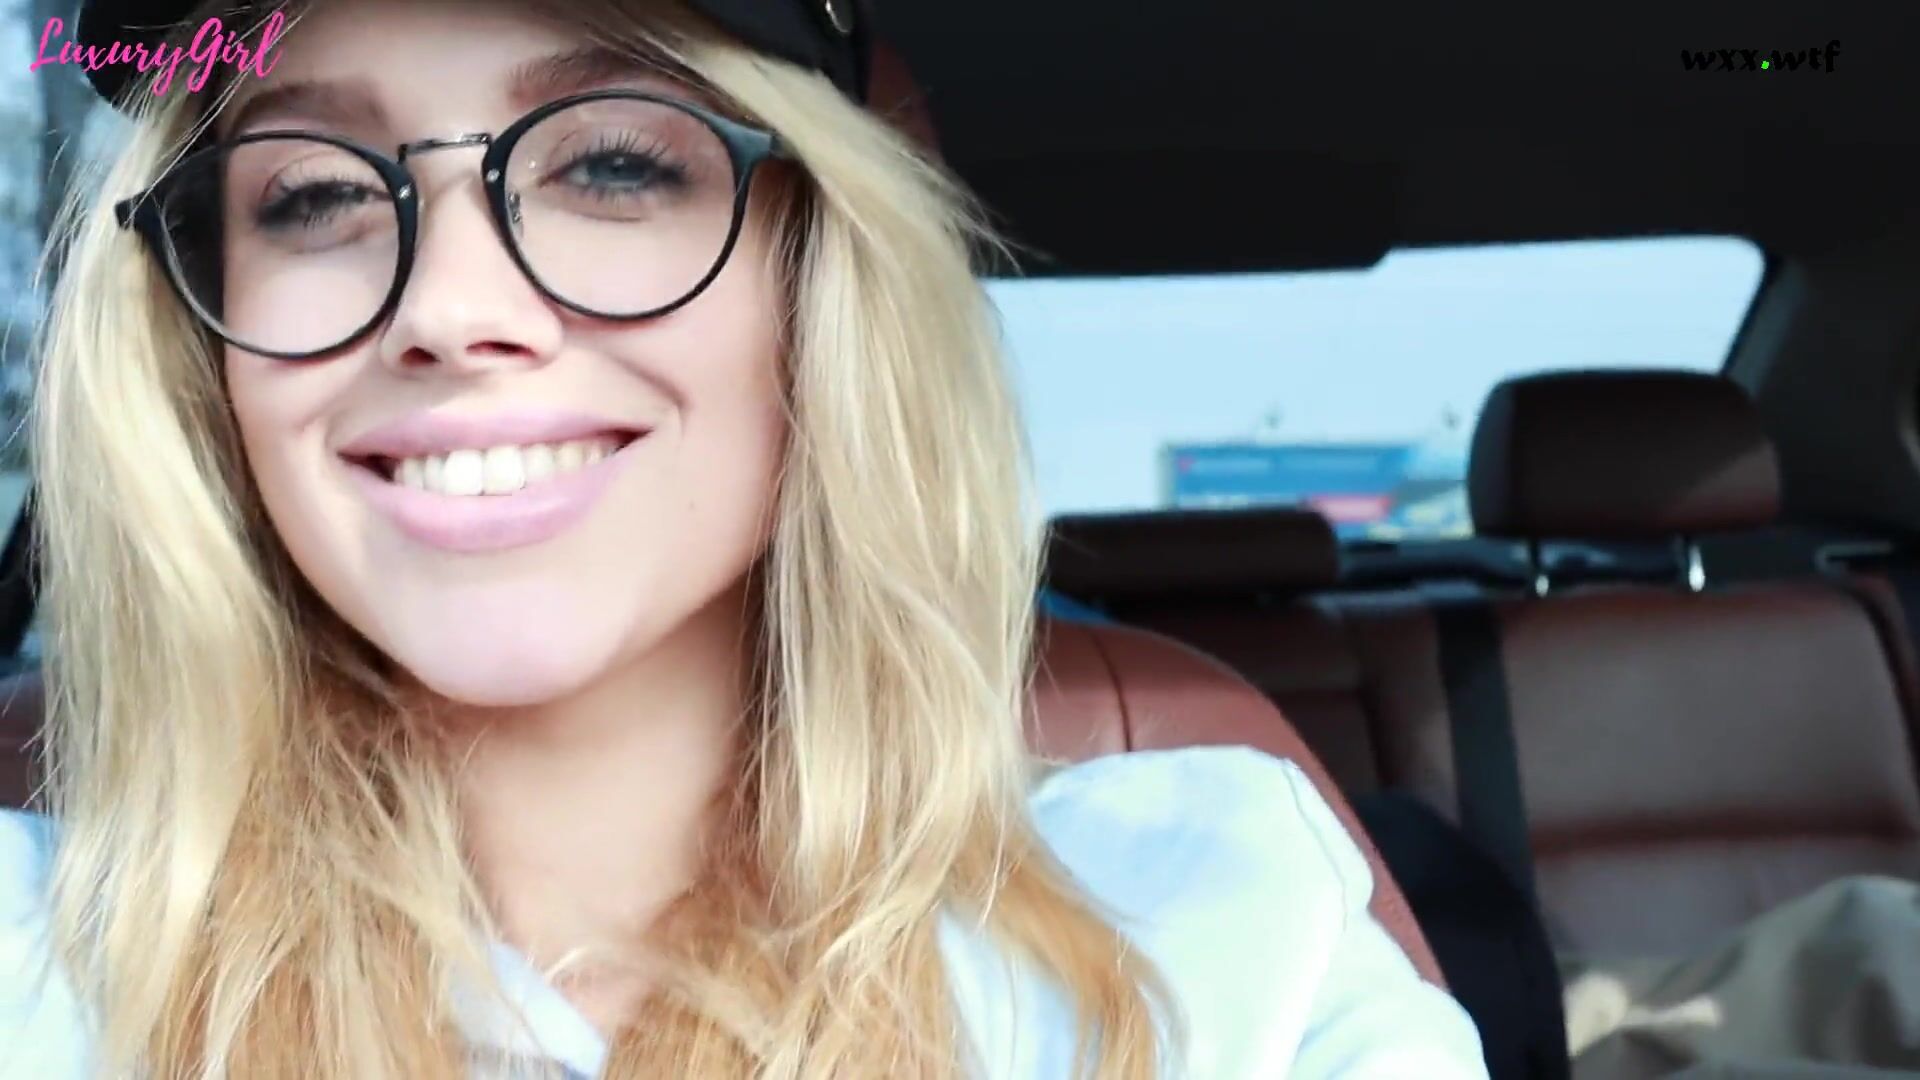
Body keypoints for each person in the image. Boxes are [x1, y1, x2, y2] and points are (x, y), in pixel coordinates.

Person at [0, 0, 1489, 1076]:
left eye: (611, 166)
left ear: (818, 273)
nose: (446, 308)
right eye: (315, 195)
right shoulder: (36, 969)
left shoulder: (1222, 944)